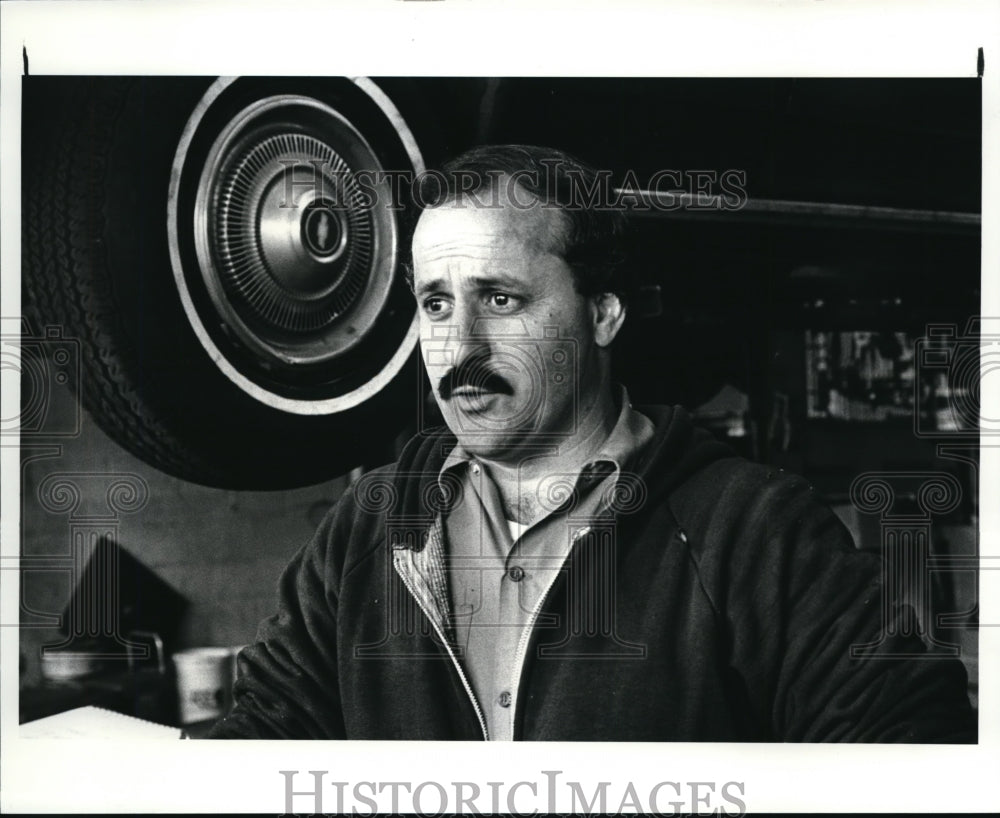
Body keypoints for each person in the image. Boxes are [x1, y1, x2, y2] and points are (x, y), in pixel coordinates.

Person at [209, 145, 975, 741]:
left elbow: (908, 747)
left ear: (603, 315)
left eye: (500, 299)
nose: (459, 345)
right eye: (435, 304)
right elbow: (265, 738)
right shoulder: (367, 527)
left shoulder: (755, 531)